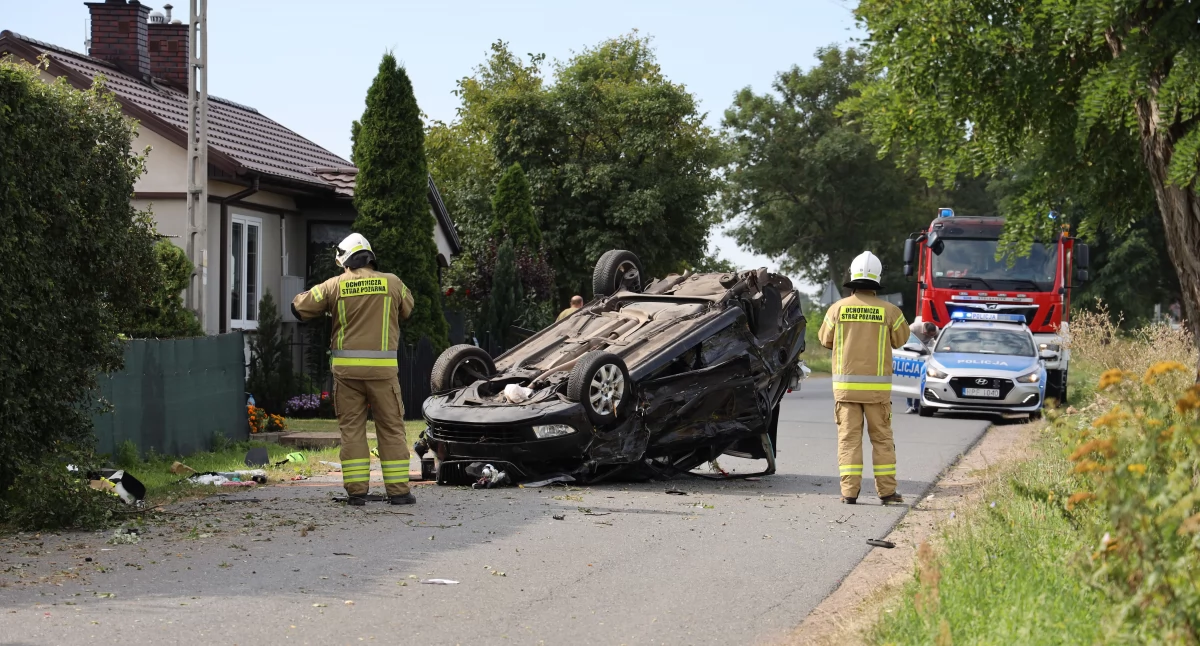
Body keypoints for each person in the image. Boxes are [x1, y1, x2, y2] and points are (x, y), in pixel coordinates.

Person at [292, 233, 415, 506]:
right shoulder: (392, 282)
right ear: (370, 257)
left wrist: (327, 305)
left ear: (345, 260)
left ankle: (357, 493)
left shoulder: (335, 285)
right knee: (391, 429)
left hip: (347, 375)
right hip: (383, 374)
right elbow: (408, 308)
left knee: (352, 430)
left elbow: (299, 307)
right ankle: (399, 493)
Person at [818, 251, 909, 505]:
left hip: (846, 392)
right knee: (882, 441)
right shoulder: (890, 311)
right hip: (877, 395)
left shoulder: (837, 309)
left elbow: (824, 339)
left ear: (852, 278)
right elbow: (901, 339)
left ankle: (849, 493)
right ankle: (887, 492)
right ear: (877, 278)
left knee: (849, 441)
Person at [905, 321, 938, 414]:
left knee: (920, 381)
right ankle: (909, 405)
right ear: (925, 332)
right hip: (912, 353)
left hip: (925, 355)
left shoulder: (936, 330)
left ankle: (916, 406)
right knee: (910, 380)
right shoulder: (913, 328)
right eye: (929, 335)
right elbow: (905, 340)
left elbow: (936, 342)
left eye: (932, 335)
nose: (930, 337)